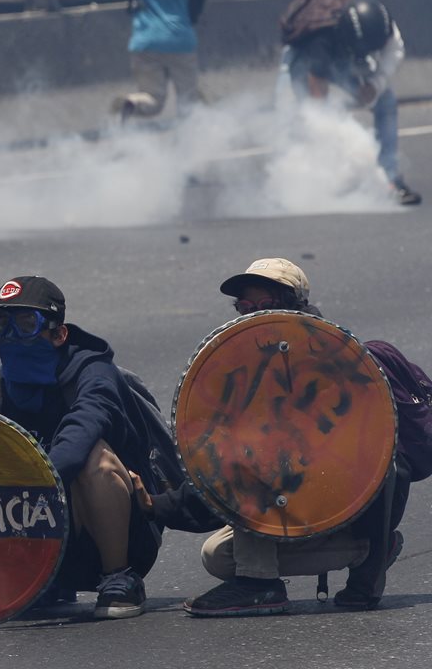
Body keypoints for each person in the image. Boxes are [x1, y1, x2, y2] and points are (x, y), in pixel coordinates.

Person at [134, 258, 409, 616]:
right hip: (286, 504)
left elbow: (380, 463)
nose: (251, 317)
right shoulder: (247, 371)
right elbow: (215, 464)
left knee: (259, 452)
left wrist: (367, 580)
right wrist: (162, 505)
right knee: (218, 556)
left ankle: (262, 584)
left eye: (264, 307)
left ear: (296, 307)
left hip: (334, 500)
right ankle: (361, 550)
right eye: (244, 308)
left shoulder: (336, 365)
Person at [0, 276, 163, 619]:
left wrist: (19, 490)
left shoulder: (94, 375)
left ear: (59, 333)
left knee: (93, 458)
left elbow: (77, 440)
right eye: (0, 324)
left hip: (121, 533)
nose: (11, 337)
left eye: (25, 324)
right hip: (38, 531)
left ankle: (120, 577)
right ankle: (44, 578)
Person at [281, 0, 421, 205]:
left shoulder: (383, 27)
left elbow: (394, 53)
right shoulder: (321, 40)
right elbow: (317, 103)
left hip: (346, 61)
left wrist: (374, 85)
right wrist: (329, 128)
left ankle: (390, 178)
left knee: (385, 101)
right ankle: (299, 179)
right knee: (302, 117)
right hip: (301, 63)